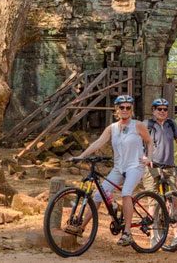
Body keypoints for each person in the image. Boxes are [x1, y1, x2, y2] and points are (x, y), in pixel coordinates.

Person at [70, 94, 154, 246]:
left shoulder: (138, 125)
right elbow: (98, 142)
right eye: (122, 107)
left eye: (128, 107)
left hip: (135, 166)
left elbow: (149, 142)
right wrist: (81, 156)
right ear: (117, 109)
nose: (125, 110)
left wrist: (149, 158)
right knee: (97, 196)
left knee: (126, 193)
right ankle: (81, 228)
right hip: (118, 167)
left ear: (132, 109)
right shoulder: (112, 128)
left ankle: (127, 233)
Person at [142, 98, 177, 248]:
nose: (162, 111)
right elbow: (137, 143)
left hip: (169, 167)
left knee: (173, 200)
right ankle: (153, 237)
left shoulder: (171, 124)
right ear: (153, 110)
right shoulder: (146, 124)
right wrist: (144, 157)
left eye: (165, 109)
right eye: (159, 109)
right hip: (151, 167)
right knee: (152, 201)